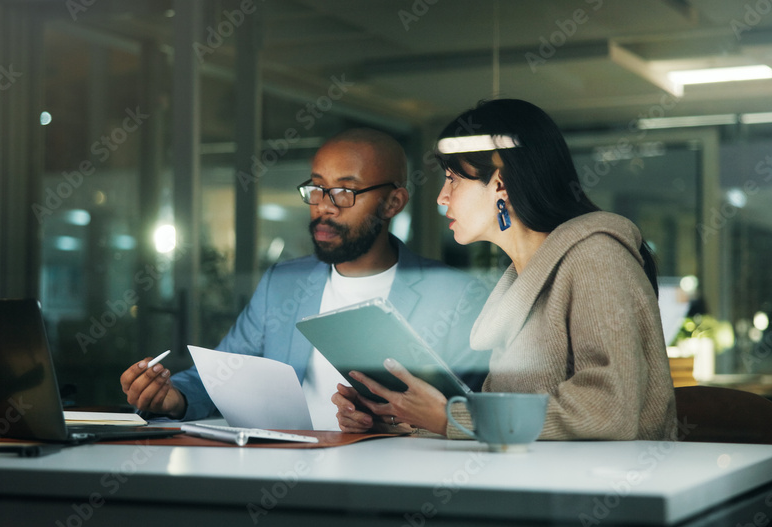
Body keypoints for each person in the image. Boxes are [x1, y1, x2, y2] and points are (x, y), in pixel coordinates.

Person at [333, 100, 678, 440]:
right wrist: (396, 418)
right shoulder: (520, 281)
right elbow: (507, 428)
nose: (442, 197)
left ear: (500, 183)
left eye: (453, 179)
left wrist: (449, 418)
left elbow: (608, 410)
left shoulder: (597, 257)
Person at [120, 128, 489, 430]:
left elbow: (472, 415)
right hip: (285, 475)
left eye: (344, 192)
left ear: (393, 202)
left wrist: (399, 424)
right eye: (316, 188)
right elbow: (223, 373)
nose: (324, 206)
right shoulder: (282, 284)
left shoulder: (455, 294)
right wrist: (174, 398)